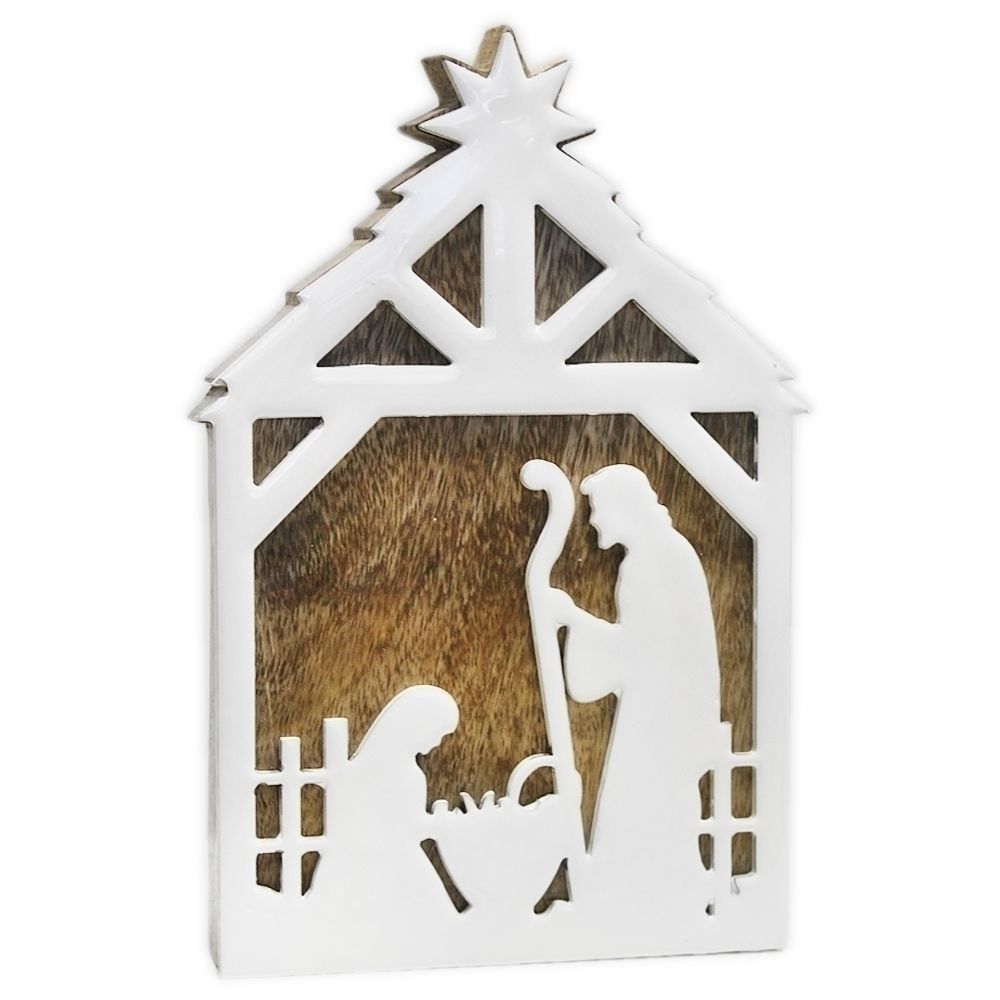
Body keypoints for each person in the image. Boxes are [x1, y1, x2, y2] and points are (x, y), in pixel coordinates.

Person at [552, 465, 721, 914]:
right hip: (656, 712)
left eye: (597, 510)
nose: (592, 521)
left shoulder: (658, 560)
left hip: (664, 718)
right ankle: (631, 896)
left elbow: (645, 651)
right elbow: (642, 646)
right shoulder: (654, 556)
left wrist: (573, 620)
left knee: (644, 802)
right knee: (638, 801)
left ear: (624, 508)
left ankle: (643, 899)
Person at [318, 685, 461, 924]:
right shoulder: (408, 776)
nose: (437, 742)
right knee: (432, 918)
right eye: (437, 734)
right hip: (388, 863)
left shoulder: (358, 769)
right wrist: (439, 824)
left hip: (349, 863)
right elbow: (407, 829)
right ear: (417, 728)